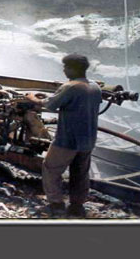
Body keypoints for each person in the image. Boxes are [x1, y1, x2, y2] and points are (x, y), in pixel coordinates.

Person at [26, 53, 102, 218]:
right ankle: (77, 207)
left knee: (51, 169)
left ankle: (56, 204)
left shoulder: (70, 86)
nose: (64, 70)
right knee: (80, 173)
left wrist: (32, 98)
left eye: (66, 67)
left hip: (67, 140)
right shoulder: (95, 87)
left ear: (73, 68)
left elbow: (50, 105)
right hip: (88, 140)